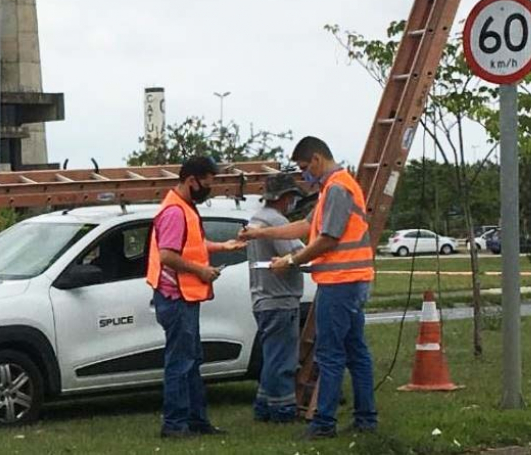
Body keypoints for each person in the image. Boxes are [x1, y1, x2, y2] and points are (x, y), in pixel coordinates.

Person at [239, 137, 377, 439]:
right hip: (349, 281)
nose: (304, 176)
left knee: (330, 355)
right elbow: (305, 226)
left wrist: (290, 260)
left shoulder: (338, 188)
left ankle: (324, 424)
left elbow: (327, 238)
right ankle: (366, 419)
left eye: (304, 168)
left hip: (340, 283)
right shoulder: (333, 188)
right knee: (356, 351)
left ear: (316, 159)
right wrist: (260, 234)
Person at [145, 155, 245, 439]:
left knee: (190, 360)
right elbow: (167, 255)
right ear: (192, 181)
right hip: (176, 298)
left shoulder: (183, 207)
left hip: (184, 298)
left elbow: (191, 245)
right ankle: (175, 425)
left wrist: (222, 246)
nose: (209, 189)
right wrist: (202, 271)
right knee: (181, 362)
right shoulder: (175, 212)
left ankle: (196, 421)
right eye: (208, 183)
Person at [244, 173, 306, 423]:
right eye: (292, 197)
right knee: (282, 359)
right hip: (280, 299)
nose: (293, 202)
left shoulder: (256, 220)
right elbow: (297, 253)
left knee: (272, 355)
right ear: (283, 197)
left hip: (263, 298)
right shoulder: (276, 223)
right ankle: (282, 410)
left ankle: (263, 405)